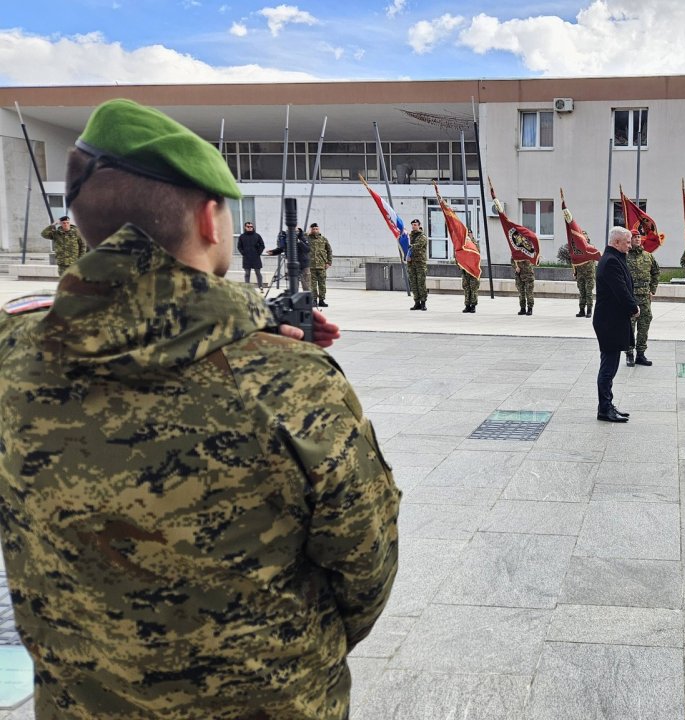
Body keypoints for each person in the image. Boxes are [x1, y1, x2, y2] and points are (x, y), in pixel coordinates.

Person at [0, 99, 399, 720]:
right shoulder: (294, 385)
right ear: (212, 220)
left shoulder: (9, 354)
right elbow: (364, 575)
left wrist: (255, 323)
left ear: (80, 224)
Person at [593, 227, 639, 423]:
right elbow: (620, 289)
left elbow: (626, 284)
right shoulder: (611, 261)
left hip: (613, 320)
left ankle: (608, 405)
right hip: (609, 321)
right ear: (617, 242)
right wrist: (634, 306)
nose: (630, 245)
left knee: (611, 366)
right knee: (608, 367)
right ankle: (604, 409)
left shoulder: (615, 258)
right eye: (627, 242)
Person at [626, 231, 660, 367]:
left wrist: (652, 289)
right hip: (630, 296)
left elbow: (656, 272)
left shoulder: (648, 256)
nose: (637, 239)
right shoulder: (625, 256)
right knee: (629, 326)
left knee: (644, 324)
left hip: (645, 296)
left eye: (639, 237)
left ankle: (641, 353)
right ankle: (629, 354)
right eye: (634, 237)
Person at [266, 226, 311, 291]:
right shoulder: (286, 236)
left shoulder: (302, 236)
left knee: (306, 286)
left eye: (294, 227)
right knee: (294, 287)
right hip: (292, 264)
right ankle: (295, 299)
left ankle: (307, 300)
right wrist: (273, 252)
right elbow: (282, 248)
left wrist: (299, 242)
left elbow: (307, 249)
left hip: (303, 264)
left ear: (297, 228)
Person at [308, 222, 332, 308]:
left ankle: (322, 300)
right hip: (311, 266)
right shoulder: (307, 238)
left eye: (316, 229)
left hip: (322, 265)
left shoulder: (323, 239)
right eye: (313, 229)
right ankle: (314, 300)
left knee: (322, 284)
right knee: (313, 284)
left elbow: (329, 251)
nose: (315, 230)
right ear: (310, 229)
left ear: (318, 229)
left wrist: (329, 262)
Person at [406, 219, 429, 311]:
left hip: (420, 264)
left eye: (415, 225)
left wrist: (410, 247)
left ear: (419, 225)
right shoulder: (410, 236)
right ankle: (417, 302)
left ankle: (423, 303)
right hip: (411, 264)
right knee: (414, 284)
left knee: (421, 284)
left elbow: (418, 245)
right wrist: (407, 256)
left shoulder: (422, 236)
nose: (413, 226)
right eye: (412, 225)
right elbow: (406, 248)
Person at [236, 220, 265, 288]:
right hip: (247, 258)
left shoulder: (257, 236)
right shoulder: (242, 236)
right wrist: (243, 253)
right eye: (248, 226)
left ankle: (260, 286)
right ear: (245, 227)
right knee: (247, 274)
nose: (250, 228)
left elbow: (262, 245)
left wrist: (258, 252)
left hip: (256, 257)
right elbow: (239, 246)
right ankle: (247, 287)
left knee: (258, 273)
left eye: (251, 226)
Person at [573, 253, 596, 318]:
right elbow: (575, 263)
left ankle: (589, 310)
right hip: (580, 275)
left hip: (589, 276)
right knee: (582, 293)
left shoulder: (591, 250)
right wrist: (575, 273)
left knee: (588, 293)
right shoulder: (578, 252)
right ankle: (581, 310)